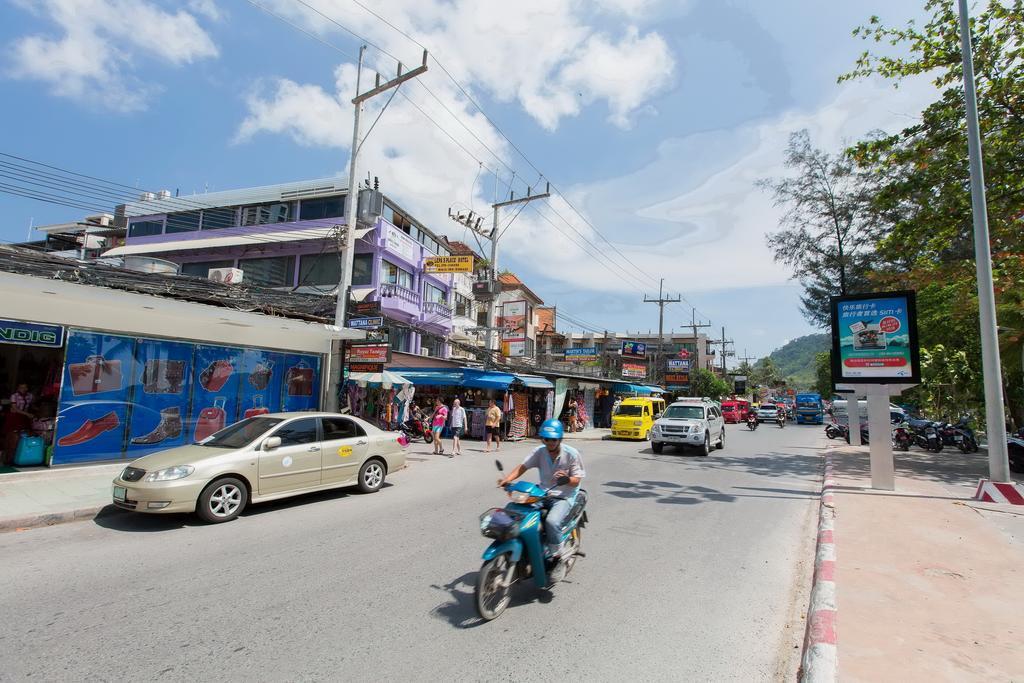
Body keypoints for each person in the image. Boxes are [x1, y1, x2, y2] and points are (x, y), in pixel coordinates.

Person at [497, 419, 585, 579]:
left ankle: (559, 559)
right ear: (542, 439)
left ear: (560, 439)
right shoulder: (539, 452)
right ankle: (529, 551)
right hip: (542, 493)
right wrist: (507, 479)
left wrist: (567, 478)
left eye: (553, 439)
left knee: (551, 521)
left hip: (564, 497)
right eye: (546, 439)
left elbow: (577, 479)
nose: (550, 443)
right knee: (517, 513)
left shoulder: (571, 454)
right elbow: (523, 467)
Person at [3, 382, 34, 465]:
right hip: (14, 417)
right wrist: (27, 414)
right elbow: (15, 409)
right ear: (18, 388)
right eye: (21, 387)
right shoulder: (14, 396)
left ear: (27, 388)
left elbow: (30, 406)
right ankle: (7, 458)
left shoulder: (30, 396)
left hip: (24, 418)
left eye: (25, 387)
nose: (23, 389)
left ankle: (19, 456)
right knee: (11, 436)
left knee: (24, 436)